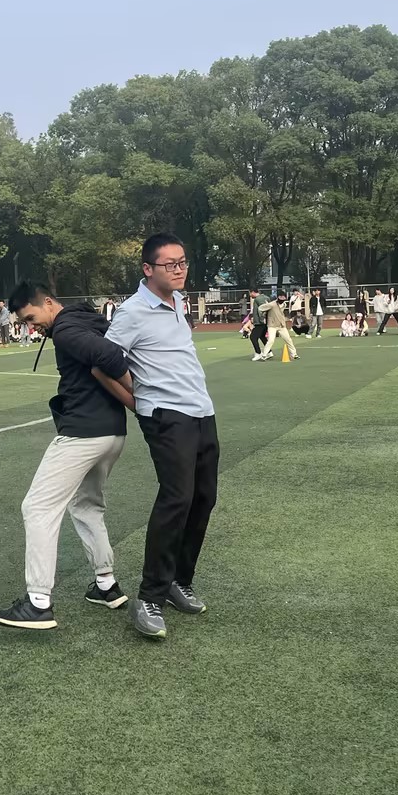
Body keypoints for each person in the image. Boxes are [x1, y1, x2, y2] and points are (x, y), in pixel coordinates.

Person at [0, 283, 134, 630]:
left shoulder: (66, 329)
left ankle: (38, 603)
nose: (31, 326)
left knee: (37, 507)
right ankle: (106, 585)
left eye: (31, 317)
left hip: (83, 433)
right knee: (86, 505)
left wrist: (137, 398)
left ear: (48, 303)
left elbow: (111, 358)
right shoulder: (87, 320)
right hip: (112, 433)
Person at [105, 234, 218, 641]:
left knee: (203, 498)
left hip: (201, 411)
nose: (179, 269)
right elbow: (102, 364)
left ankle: (177, 581)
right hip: (167, 417)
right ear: (147, 269)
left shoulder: (178, 301)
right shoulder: (132, 312)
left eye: (183, 261)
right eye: (170, 264)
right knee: (176, 499)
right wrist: (136, 403)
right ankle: (149, 596)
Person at [259, 291, 300, 360]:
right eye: (280, 297)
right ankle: (264, 355)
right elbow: (260, 308)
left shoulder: (284, 304)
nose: (282, 298)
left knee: (288, 340)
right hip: (272, 325)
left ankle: (294, 354)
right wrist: (266, 307)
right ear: (278, 297)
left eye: (283, 297)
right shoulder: (272, 304)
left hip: (281, 325)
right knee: (271, 340)